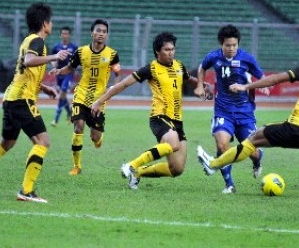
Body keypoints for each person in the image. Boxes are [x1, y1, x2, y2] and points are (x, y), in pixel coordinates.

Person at [197, 41, 299, 209]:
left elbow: (276, 79)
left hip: (294, 127)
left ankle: (213, 164)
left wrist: (247, 86)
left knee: (254, 139)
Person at [91, 31, 213, 190]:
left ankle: (137, 173)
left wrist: (202, 85)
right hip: (159, 116)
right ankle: (131, 165)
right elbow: (123, 85)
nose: (171, 53)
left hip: (177, 120)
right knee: (173, 144)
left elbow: (189, 80)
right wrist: (100, 101)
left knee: (176, 169)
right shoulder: (150, 69)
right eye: (167, 50)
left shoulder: (179, 66)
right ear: (157, 51)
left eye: (173, 49)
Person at [0, 2, 71, 203]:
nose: (51, 25)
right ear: (45, 23)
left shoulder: (28, 40)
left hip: (12, 98)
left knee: (7, 143)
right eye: (50, 21)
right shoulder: (37, 41)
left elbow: (23, 70)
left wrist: (44, 88)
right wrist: (55, 56)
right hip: (21, 101)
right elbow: (28, 62)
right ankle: (26, 191)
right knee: (43, 141)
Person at [194, 24, 267, 194]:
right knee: (222, 144)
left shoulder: (247, 58)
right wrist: (199, 85)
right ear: (221, 44)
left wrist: (253, 86)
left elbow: (262, 77)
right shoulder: (213, 57)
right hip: (223, 110)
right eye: (228, 45)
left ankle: (257, 160)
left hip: (245, 112)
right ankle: (229, 185)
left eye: (235, 45)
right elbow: (202, 67)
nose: (232, 48)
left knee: (252, 151)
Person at [49, 19, 121, 176]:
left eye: (104, 31)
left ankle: (98, 139)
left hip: (99, 99)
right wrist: (59, 71)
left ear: (106, 35)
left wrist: (114, 87)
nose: (101, 34)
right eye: (98, 31)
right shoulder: (81, 52)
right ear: (92, 33)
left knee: (95, 137)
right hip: (81, 95)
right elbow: (70, 68)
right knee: (78, 127)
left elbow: (117, 72)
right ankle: (77, 166)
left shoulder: (112, 54)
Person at [50, 26, 78, 127]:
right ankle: (70, 112)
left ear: (69, 35)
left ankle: (55, 119)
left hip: (68, 74)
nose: (64, 35)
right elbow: (53, 59)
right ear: (60, 35)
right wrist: (54, 65)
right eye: (63, 33)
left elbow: (76, 60)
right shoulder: (56, 47)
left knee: (62, 93)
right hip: (59, 74)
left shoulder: (74, 48)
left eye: (66, 33)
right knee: (63, 96)